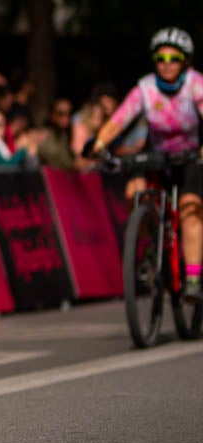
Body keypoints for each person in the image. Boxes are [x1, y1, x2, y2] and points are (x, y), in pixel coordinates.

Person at [91, 27, 203, 301]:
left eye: (173, 58)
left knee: (191, 208)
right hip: (157, 155)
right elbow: (119, 119)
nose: (167, 64)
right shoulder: (146, 88)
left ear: (185, 61)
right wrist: (98, 144)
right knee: (134, 192)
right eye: (161, 58)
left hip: (190, 156)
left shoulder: (195, 84)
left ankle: (193, 277)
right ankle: (150, 244)